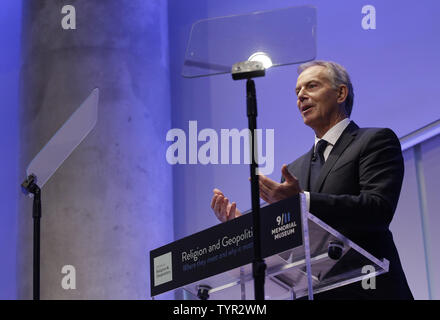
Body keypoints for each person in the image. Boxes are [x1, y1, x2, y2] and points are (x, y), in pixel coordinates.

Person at [210, 60, 413, 300]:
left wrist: (303, 201)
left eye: (311, 86)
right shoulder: (295, 168)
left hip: (371, 289)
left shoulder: (374, 141)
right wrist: (245, 233)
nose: (301, 97)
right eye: (297, 92)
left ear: (340, 93)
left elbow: (377, 209)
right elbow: (287, 240)